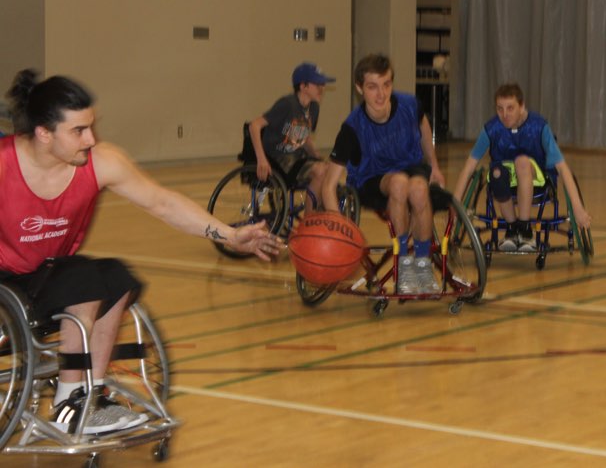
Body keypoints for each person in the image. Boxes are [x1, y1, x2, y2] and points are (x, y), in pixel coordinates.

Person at [0, 69, 283, 434]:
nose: (91, 139)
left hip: (46, 274)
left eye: (91, 127)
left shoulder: (102, 162)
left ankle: (87, 395)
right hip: (5, 281)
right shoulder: (6, 165)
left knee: (116, 277)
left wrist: (229, 236)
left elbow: (163, 203)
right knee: (82, 279)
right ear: (43, 134)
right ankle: (71, 405)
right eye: (79, 131)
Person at [322, 54, 445, 294]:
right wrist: (341, 230)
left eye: (386, 85)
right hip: (371, 178)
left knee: (419, 188)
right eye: (372, 87)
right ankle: (404, 264)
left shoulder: (409, 105)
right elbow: (328, 186)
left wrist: (435, 165)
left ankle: (422, 264)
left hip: (410, 166)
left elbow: (423, 124)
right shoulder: (352, 128)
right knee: (399, 183)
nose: (381, 94)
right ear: (360, 88)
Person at [452, 82, 592, 252]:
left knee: (522, 162)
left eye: (510, 108)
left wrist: (578, 209)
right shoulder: (491, 129)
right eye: (500, 109)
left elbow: (563, 168)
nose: (504, 114)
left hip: (536, 180)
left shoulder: (539, 127)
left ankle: (525, 230)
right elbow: (469, 167)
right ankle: (512, 229)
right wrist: (455, 204)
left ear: (522, 106)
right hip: (503, 180)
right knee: (495, 172)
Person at [248, 62, 335, 210]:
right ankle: (309, 220)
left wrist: (316, 155)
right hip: (279, 159)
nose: (322, 88)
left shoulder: (314, 108)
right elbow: (254, 126)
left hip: (296, 159)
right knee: (320, 171)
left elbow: (305, 137)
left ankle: (316, 211)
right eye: (317, 84)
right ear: (303, 86)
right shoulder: (287, 104)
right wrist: (261, 159)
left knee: (328, 168)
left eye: (323, 84)